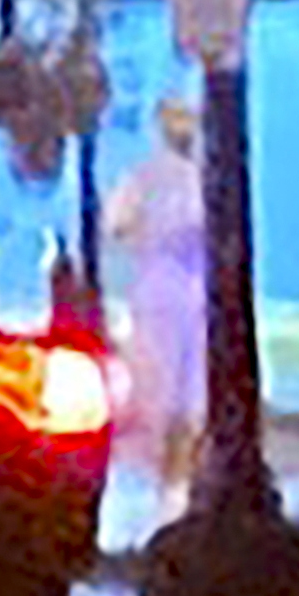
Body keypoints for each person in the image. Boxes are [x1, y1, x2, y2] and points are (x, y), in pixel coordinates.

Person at [105, 97, 208, 510]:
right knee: (168, 393)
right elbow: (116, 224)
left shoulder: (184, 176)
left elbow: (117, 224)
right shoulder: (149, 177)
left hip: (186, 292)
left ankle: (176, 486)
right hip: (166, 291)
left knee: (186, 393)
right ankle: (167, 485)